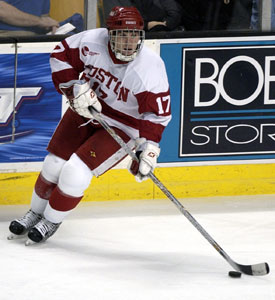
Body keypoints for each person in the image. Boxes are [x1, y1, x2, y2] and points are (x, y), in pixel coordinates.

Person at [8, 6, 171, 244]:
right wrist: (74, 88)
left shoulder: (150, 68)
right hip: (87, 107)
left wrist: (148, 149)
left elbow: (156, 115)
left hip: (123, 125)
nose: (129, 41)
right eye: (122, 35)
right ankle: (34, 213)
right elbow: (60, 55)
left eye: (135, 34)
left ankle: (51, 221)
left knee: (75, 172)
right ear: (109, 34)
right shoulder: (91, 41)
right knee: (53, 164)